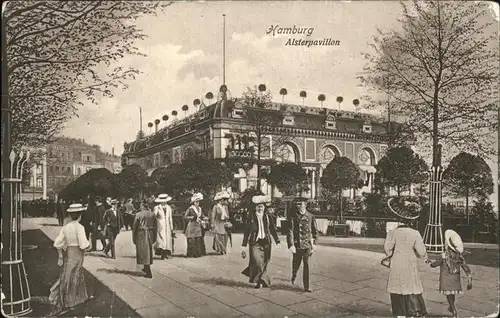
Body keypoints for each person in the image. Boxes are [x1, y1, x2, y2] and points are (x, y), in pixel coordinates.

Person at [49, 204, 92, 316]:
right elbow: (83, 245)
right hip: (77, 253)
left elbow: (57, 243)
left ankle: (73, 298)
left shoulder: (66, 227)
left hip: (69, 252)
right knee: (76, 275)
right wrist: (89, 243)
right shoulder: (80, 227)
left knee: (67, 274)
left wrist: (61, 255)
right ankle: (72, 301)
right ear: (80, 215)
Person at [384, 219, 428, 317]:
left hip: (397, 259)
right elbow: (421, 251)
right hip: (410, 260)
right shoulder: (415, 233)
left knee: (397, 284)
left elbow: (388, 248)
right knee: (411, 284)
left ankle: (400, 314)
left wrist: (391, 253)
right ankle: (413, 311)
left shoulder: (393, 232)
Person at [430, 229, 472, 317]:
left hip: (446, 279)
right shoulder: (459, 256)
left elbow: (434, 264)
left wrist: (430, 263)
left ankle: (453, 310)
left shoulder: (443, 255)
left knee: (449, 295)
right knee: (452, 294)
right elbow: (466, 267)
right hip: (455, 279)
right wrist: (469, 279)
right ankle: (451, 307)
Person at [241, 195, 280, 289]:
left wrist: (277, 241)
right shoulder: (251, 217)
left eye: (261, 206)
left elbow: (273, 230)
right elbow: (246, 231)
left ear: (264, 207)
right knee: (258, 263)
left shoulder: (268, 217)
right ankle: (262, 280)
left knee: (265, 262)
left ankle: (260, 282)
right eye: (258, 206)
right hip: (255, 242)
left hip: (266, 242)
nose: (260, 208)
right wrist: (243, 246)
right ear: (255, 207)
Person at [287, 196, 318, 293]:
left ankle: (306, 286)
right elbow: (290, 231)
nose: (299, 206)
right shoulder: (293, 216)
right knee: (296, 263)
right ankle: (294, 274)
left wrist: (314, 244)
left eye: (301, 204)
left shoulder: (310, 216)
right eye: (297, 204)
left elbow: (315, 231)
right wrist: (291, 245)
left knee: (307, 265)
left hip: (307, 245)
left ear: (305, 204)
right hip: (297, 245)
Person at [132, 200, 157, 278]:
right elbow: (156, 226)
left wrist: (134, 238)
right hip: (150, 234)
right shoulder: (152, 214)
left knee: (143, 252)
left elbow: (135, 227)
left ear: (142, 206)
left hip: (141, 234)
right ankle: (146, 268)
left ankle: (148, 272)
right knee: (148, 251)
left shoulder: (138, 214)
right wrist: (154, 237)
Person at [184, 192, 207, 258]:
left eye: (198, 202)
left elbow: (202, 216)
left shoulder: (200, 209)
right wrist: (193, 218)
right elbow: (185, 217)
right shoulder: (190, 209)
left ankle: (198, 253)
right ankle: (192, 253)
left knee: (198, 239)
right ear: (193, 202)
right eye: (196, 202)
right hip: (191, 225)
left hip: (198, 225)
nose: (197, 203)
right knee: (192, 240)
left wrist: (204, 217)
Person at [153, 194, 174, 260]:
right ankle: (162, 254)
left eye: (165, 201)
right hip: (160, 225)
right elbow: (154, 216)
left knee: (167, 240)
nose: (164, 202)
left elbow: (170, 218)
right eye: (163, 201)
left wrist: (171, 227)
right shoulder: (157, 207)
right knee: (161, 240)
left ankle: (166, 254)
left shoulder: (169, 207)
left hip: (167, 225)